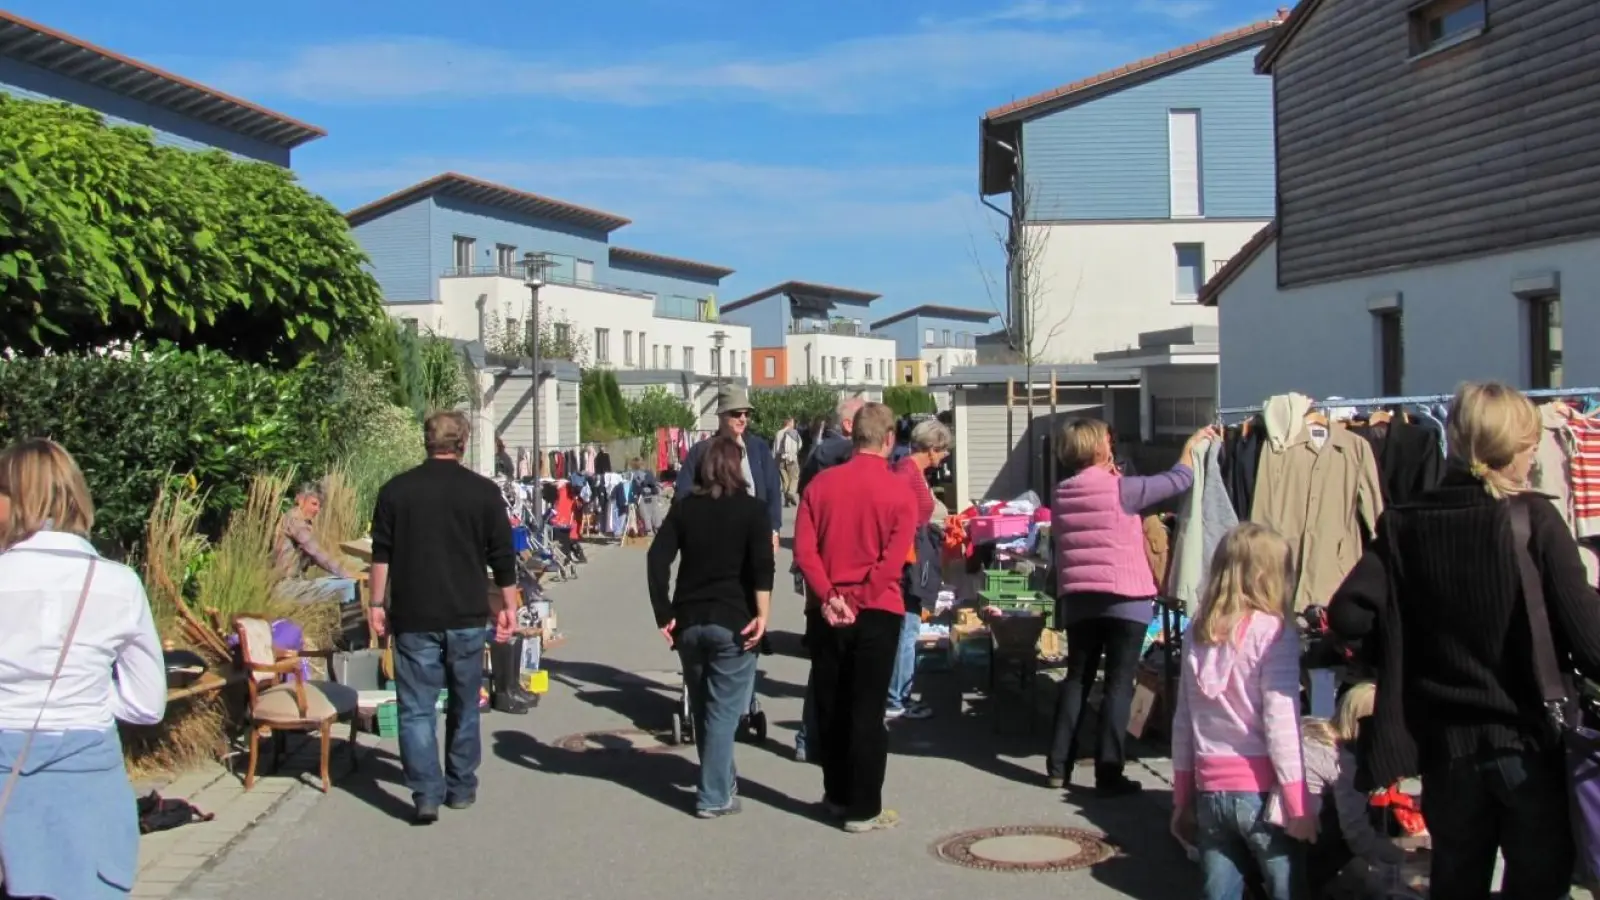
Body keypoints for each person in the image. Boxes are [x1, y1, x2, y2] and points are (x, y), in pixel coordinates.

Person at [1329, 381, 1600, 899]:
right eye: (1529, 447)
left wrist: (1402, 646)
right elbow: (1592, 644)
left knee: (1456, 880)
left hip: (1444, 746)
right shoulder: (1533, 519)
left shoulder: (1406, 523)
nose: (1532, 458)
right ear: (1511, 450)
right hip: (1529, 741)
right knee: (1538, 883)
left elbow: (1348, 614)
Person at [0, 439, 165, 899]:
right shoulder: (118, 583)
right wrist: (89, 689)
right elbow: (147, 703)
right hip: (88, 776)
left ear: (16, 499)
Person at [1046, 419, 1214, 795]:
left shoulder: (1061, 493)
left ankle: (1058, 765)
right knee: (1119, 685)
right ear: (1099, 447)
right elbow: (1178, 480)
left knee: (1077, 679)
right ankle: (1108, 773)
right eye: (1107, 440)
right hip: (1126, 597)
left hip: (1079, 598)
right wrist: (1189, 448)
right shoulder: (1124, 489)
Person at [368, 410, 520, 825]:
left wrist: (376, 604)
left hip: (414, 615)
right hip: (467, 614)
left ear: (426, 442)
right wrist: (509, 606)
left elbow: (381, 553)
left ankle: (426, 793)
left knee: (416, 709)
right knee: (464, 704)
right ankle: (461, 787)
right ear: (462, 444)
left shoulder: (396, 491)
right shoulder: (483, 493)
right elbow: (502, 557)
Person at [1170, 523, 1314, 900]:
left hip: (1209, 788)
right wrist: (1298, 803)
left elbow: (1184, 721)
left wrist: (1182, 797)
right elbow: (1281, 722)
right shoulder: (1274, 633)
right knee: (1287, 886)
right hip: (1261, 791)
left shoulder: (1198, 631)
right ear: (1270, 576)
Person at [793, 402, 918, 833]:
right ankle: (864, 808)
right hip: (877, 608)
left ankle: (836, 793)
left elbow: (804, 550)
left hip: (826, 608)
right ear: (889, 439)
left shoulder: (820, 485)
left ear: (853, 435)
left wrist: (830, 595)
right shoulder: (899, 492)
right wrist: (859, 598)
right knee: (867, 709)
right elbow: (892, 561)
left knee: (831, 703)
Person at [646, 436, 775, 818]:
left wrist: (663, 612)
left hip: (689, 622)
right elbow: (762, 568)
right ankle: (713, 796)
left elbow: (657, 558)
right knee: (722, 713)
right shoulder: (753, 510)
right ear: (737, 467)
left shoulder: (685, 508)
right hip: (733, 621)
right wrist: (763, 615)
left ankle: (723, 780)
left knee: (704, 708)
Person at [793, 395, 865, 763]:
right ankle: (819, 738)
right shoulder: (840, 454)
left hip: (820, 568)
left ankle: (812, 739)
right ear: (850, 425)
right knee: (833, 658)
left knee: (825, 658)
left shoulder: (820, 455)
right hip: (836, 570)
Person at [1299, 684, 1408, 896]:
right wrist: (1397, 857)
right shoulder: (1343, 760)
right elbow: (1355, 831)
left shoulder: (1311, 727)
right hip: (1301, 838)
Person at [886, 419, 951, 721]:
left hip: (912, 557)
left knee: (908, 629)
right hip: (907, 563)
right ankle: (896, 697)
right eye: (943, 449)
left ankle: (898, 694)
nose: (945, 455)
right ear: (932, 448)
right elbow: (898, 517)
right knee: (907, 630)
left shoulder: (914, 472)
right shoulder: (907, 473)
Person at [674, 387, 783, 544]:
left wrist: (773, 529)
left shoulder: (759, 448)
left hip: (755, 535)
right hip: (715, 538)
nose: (743, 419)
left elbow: (773, 490)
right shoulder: (701, 451)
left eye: (746, 414)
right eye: (736, 413)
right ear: (721, 416)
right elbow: (683, 493)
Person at [774, 417, 803, 507]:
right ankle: (791, 492)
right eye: (793, 422)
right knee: (794, 477)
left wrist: (775, 461)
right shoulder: (794, 433)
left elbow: (776, 449)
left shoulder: (779, 433)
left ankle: (787, 501)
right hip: (792, 458)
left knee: (785, 480)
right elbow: (800, 445)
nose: (794, 424)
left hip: (781, 459)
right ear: (790, 423)